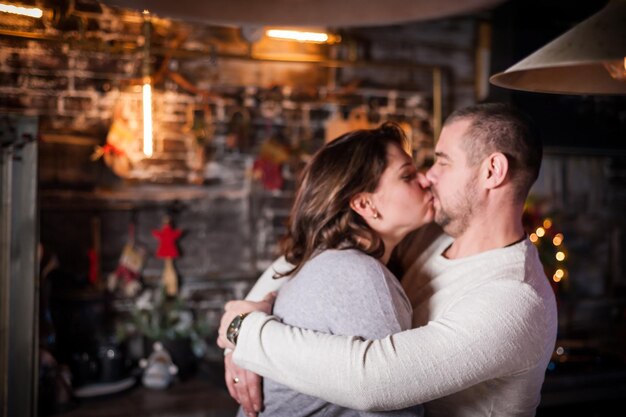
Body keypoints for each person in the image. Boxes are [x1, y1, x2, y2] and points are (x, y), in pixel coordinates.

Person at [218, 102, 558, 417]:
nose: (428, 175)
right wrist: (252, 311)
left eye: (442, 161)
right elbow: (306, 259)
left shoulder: (514, 298)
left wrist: (246, 334)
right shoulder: (427, 238)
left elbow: (375, 382)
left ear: (492, 171)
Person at [228, 122, 434, 416]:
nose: (425, 179)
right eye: (408, 175)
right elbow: (395, 408)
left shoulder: (330, 261)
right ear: (365, 204)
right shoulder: (360, 276)